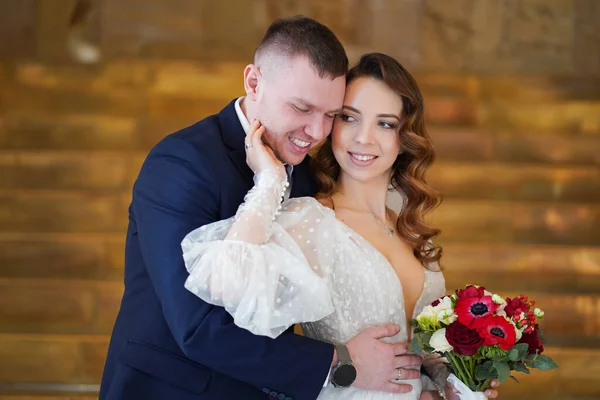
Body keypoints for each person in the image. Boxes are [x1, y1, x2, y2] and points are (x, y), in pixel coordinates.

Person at [99, 16, 423, 400]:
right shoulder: (182, 162)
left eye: (331, 115)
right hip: (170, 389)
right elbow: (198, 327)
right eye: (301, 108)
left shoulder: (304, 172)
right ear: (253, 83)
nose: (318, 132)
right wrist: (340, 363)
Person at [181, 53, 500, 399]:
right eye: (349, 118)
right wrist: (269, 183)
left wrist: (454, 383)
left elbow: (421, 350)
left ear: (404, 136)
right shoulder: (313, 219)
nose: (363, 138)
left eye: (385, 123)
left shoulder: (410, 229)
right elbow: (224, 280)